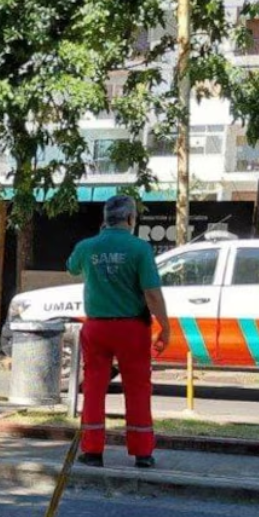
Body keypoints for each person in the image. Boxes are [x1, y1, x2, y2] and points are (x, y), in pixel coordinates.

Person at [66, 195, 170, 469]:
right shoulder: (139, 249)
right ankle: (142, 453)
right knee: (137, 388)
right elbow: (152, 294)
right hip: (132, 328)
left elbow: (72, 267)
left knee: (94, 387)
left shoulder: (88, 247)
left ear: (104, 219)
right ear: (130, 219)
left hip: (97, 327)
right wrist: (165, 327)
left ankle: (92, 450)